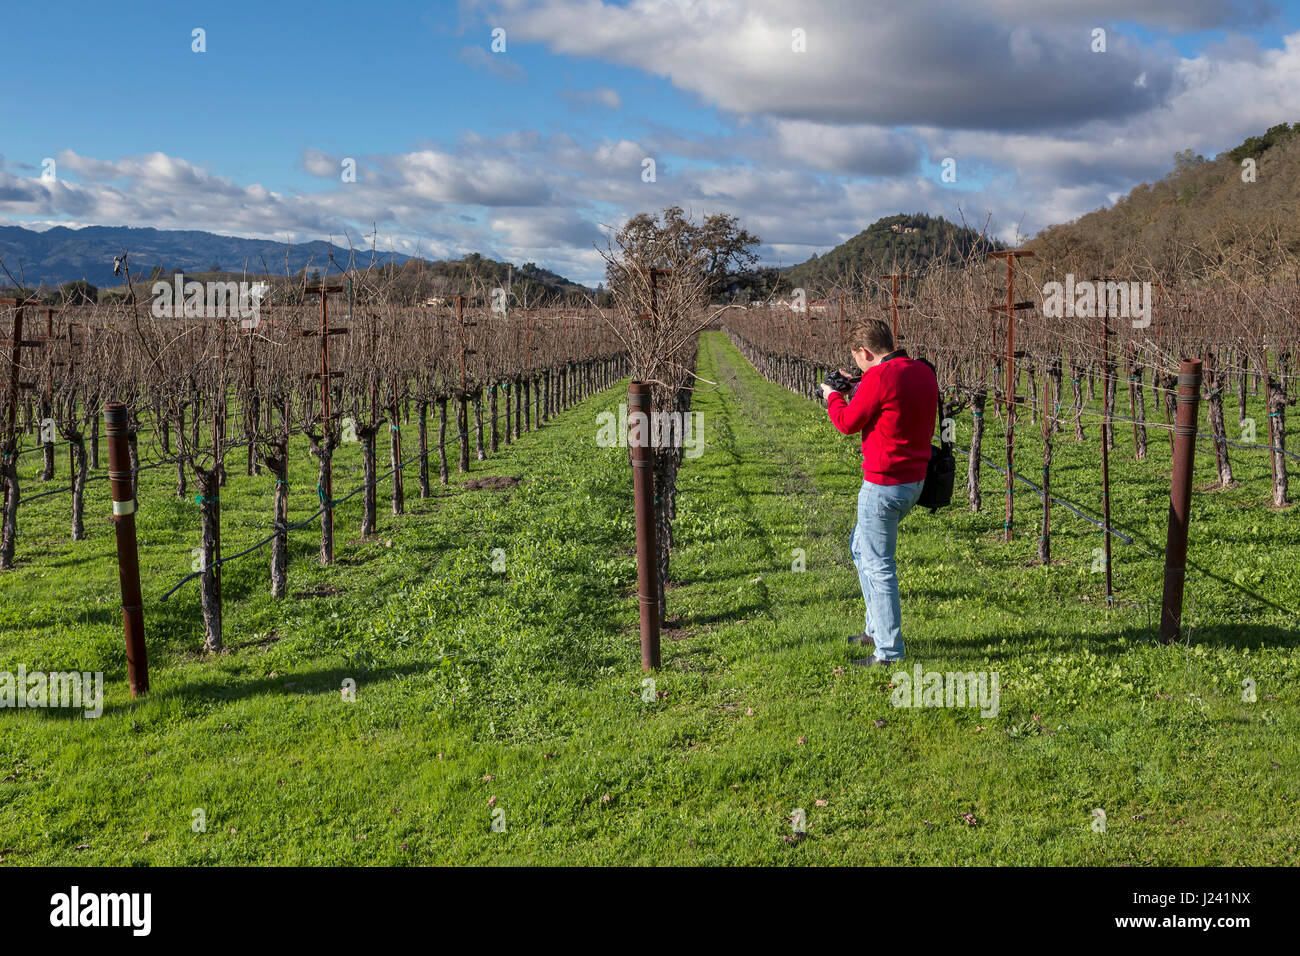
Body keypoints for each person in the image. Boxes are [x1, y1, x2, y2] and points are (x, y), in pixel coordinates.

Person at [819, 319, 937, 667]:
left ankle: (888, 651)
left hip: (883, 484)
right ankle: (875, 628)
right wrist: (862, 381)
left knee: (878, 564)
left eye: (857, 359)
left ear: (865, 351)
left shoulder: (879, 378)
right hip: (914, 481)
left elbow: (846, 422)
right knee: (860, 547)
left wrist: (833, 395)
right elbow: (893, 405)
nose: (856, 365)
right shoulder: (922, 371)